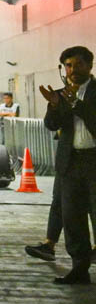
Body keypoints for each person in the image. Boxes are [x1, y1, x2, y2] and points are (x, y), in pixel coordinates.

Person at [42, 46, 96, 284]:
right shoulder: (61, 94)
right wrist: (54, 106)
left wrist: (76, 105)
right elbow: (51, 125)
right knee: (73, 218)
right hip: (70, 162)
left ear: (90, 66)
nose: (73, 70)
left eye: (78, 64)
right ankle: (79, 268)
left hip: (94, 160)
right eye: (69, 65)